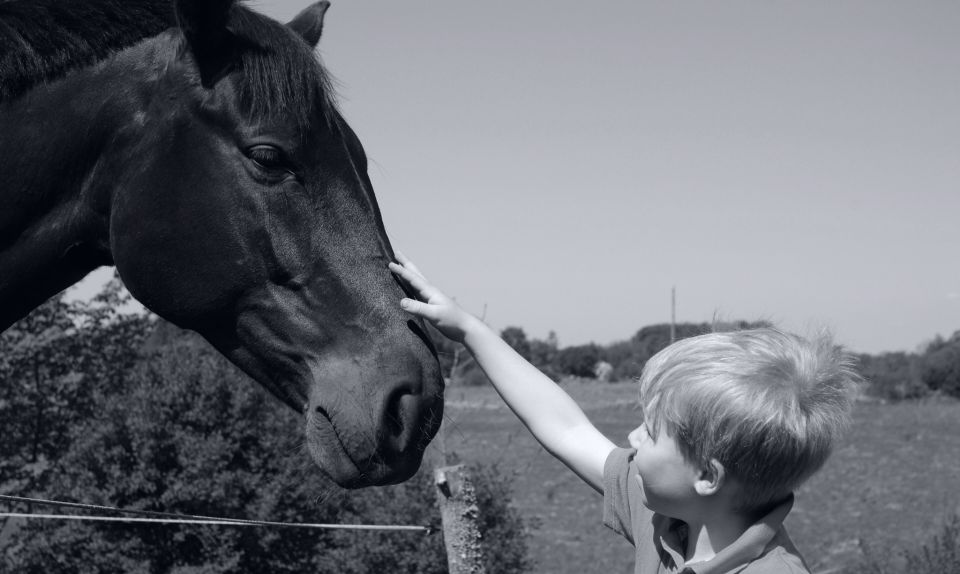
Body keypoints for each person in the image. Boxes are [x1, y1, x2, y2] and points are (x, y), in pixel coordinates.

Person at [388, 254, 861, 574]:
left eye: (652, 433)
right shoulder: (673, 517)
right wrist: (469, 329)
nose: (633, 438)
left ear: (707, 475)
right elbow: (566, 427)